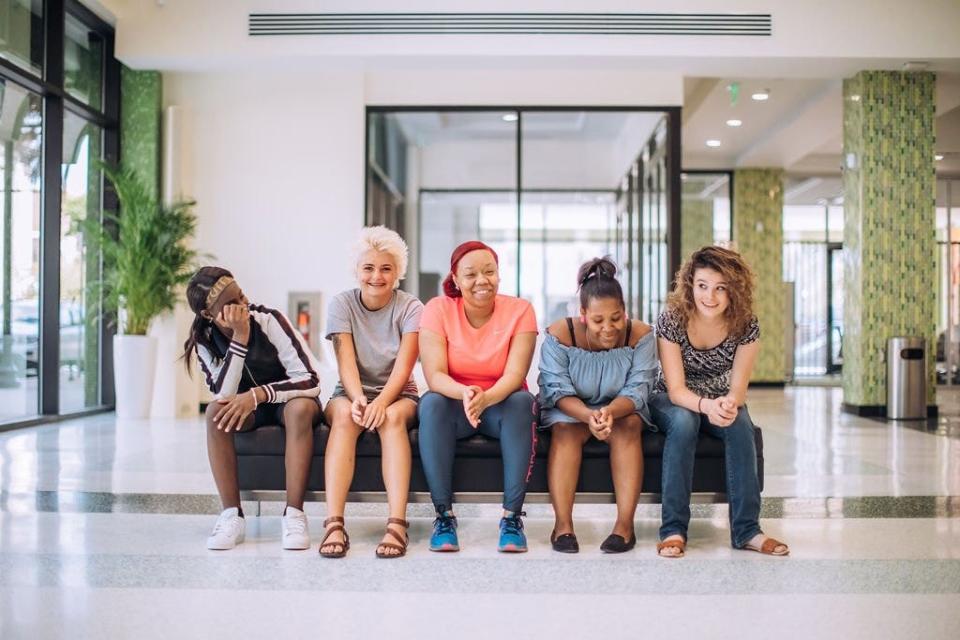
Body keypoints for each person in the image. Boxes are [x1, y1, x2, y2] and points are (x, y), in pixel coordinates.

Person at [650, 246, 789, 558]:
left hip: (720, 397)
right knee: (685, 422)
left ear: (734, 291)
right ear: (690, 285)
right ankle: (673, 529)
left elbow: (739, 388)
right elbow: (675, 390)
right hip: (671, 398)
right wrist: (706, 407)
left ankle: (748, 530)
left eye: (720, 288)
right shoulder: (671, 320)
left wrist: (727, 404)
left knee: (741, 425)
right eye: (702, 286)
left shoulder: (746, 325)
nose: (709, 297)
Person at [183, 266, 322, 551]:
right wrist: (240, 337)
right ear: (209, 314)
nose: (243, 304)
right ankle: (231, 515)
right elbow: (224, 394)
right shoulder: (204, 340)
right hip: (249, 408)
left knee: (298, 411)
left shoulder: (270, 320)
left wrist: (259, 394)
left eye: (242, 294)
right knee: (214, 413)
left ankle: (294, 514)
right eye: (232, 303)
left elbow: (310, 380)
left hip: (289, 401)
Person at [418, 241, 538, 553]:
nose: (481, 280)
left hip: (501, 404)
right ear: (455, 279)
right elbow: (435, 375)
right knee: (430, 402)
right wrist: (466, 393)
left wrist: (485, 398)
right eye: (470, 274)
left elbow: (514, 376)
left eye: (489, 272)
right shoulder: (437, 309)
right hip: (455, 404)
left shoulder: (520, 310)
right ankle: (444, 517)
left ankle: (511, 519)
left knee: (524, 401)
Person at [538, 257, 657, 553]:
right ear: (583, 314)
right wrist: (589, 415)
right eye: (598, 320)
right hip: (571, 409)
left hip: (622, 409)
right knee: (565, 431)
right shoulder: (559, 334)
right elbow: (555, 389)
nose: (609, 328)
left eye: (616, 318)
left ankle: (625, 528)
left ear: (625, 311)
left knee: (629, 427)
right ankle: (563, 526)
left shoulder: (640, 335)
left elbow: (639, 387)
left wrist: (609, 413)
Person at [321, 227, 423, 559]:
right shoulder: (341, 304)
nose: (376, 276)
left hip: (398, 393)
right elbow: (345, 363)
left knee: (392, 420)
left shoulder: (411, 308)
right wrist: (359, 400)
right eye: (369, 268)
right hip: (350, 390)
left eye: (386, 268)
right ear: (357, 271)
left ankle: (396, 524)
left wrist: (382, 401)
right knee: (344, 420)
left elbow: (405, 367)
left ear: (398, 272)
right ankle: (334, 523)